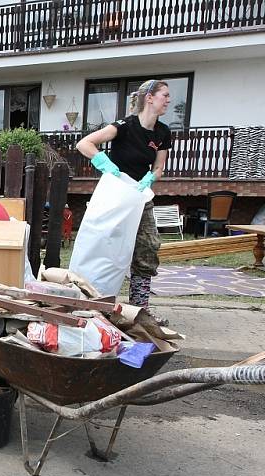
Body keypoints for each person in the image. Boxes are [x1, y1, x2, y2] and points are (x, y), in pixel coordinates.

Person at [75, 79, 172, 323]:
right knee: (107, 247)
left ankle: (139, 308)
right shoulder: (124, 126)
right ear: (149, 98)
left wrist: (150, 178)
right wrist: (104, 163)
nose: (168, 100)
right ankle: (94, 298)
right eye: (165, 95)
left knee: (148, 246)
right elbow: (84, 143)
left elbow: (159, 167)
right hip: (115, 197)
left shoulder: (163, 133)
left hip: (139, 197)